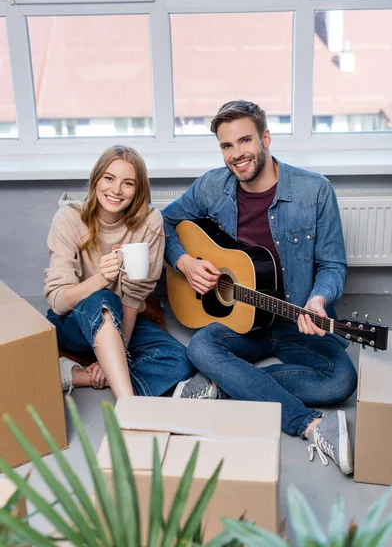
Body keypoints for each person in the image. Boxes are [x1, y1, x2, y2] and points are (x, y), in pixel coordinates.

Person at [162, 101, 358, 475]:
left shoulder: (314, 191)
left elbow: (333, 265)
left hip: (295, 318)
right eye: (226, 146)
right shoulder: (211, 186)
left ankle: (223, 385)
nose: (236, 154)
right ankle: (311, 424)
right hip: (242, 320)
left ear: (265, 138)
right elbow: (164, 224)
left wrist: (318, 299)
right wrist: (184, 263)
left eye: (245, 140)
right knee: (202, 345)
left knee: (341, 380)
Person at [45, 145, 194, 399]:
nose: (116, 190)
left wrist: (117, 351)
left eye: (128, 183)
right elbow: (59, 302)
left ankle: (78, 376)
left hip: (123, 319)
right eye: (109, 178)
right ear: (96, 179)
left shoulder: (150, 221)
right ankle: (127, 403)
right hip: (74, 324)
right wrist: (102, 279)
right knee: (104, 298)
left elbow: (134, 297)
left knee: (180, 362)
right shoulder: (68, 219)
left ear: (138, 190)